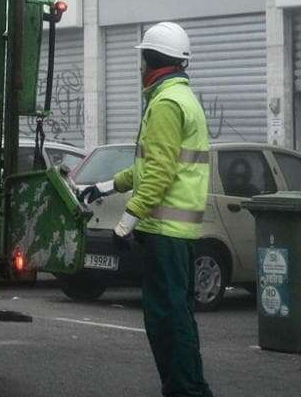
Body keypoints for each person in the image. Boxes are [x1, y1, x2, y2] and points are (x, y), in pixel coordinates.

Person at [78, 21, 214, 397]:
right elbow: (149, 166)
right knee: (175, 318)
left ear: (153, 60)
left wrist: (126, 221)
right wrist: (107, 185)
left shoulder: (167, 104)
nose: (138, 66)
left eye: (141, 58)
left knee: (168, 321)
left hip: (165, 234)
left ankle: (187, 392)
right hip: (177, 234)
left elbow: (158, 173)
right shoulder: (180, 98)